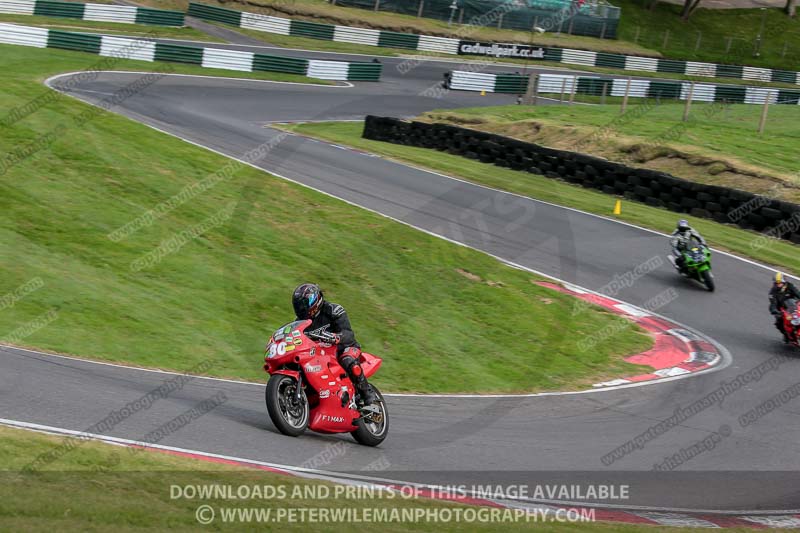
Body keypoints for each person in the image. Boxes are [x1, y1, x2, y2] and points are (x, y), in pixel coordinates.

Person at [292, 283, 377, 406]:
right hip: (321, 355)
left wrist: (336, 337)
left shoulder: (333, 310)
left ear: (315, 300)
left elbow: (348, 334)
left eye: (304, 305)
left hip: (345, 348)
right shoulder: (300, 323)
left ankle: (367, 394)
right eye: (299, 306)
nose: (302, 309)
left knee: (347, 360)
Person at [769, 272, 800, 343]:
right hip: (781, 309)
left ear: (784, 282)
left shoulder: (790, 286)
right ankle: (786, 335)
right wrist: (774, 310)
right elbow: (773, 303)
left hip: (793, 306)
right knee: (779, 323)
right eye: (777, 283)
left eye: (780, 283)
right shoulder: (772, 292)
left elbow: (798, 293)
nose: (778, 284)